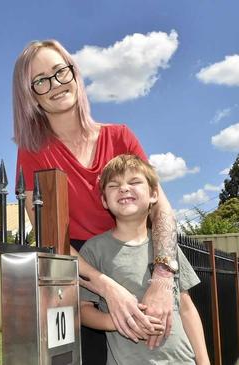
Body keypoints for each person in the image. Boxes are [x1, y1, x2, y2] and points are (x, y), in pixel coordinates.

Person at [13, 39, 180, 363]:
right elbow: (52, 239)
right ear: (29, 95)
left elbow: (162, 209)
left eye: (61, 72)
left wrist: (162, 278)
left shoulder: (120, 136)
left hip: (135, 255)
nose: (55, 84)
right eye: (41, 80)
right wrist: (107, 288)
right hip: (80, 268)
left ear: (75, 74)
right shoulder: (32, 152)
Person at [79, 154, 209, 365]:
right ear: (104, 200)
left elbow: (186, 308)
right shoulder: (94, 250)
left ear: (154, 195)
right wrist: (117, 321)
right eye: (114, 185)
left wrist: (203, 361)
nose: (124, 188)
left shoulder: (167, 249)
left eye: (134, 182)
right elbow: (83, 310)